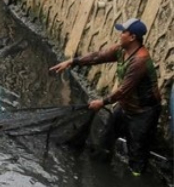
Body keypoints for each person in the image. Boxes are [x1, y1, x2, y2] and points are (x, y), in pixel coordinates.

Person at [49, 18, 162, 175]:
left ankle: (134, 186)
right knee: (105, 141)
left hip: (143, 114)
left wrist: (102, 102)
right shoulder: (122, 50)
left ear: (132, 37)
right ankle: (100, 173)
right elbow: (98, 56)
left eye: (123, 32)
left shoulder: (140, 61)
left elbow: (124, 90)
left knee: (137, 155)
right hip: (125, 107)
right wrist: (72, 62)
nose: (120, 34)